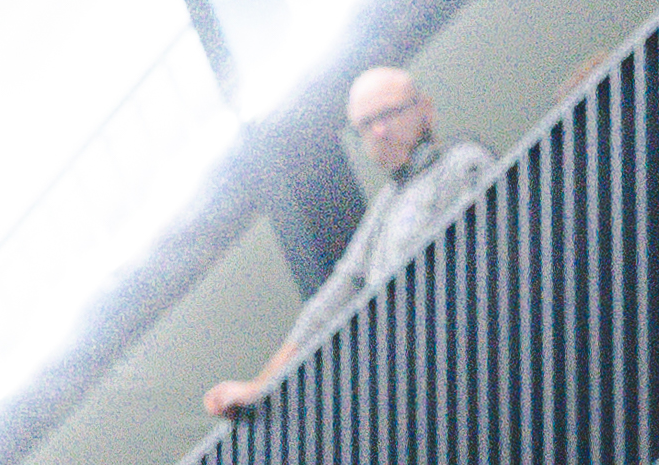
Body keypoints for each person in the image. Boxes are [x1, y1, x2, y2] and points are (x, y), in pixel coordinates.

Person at [200, 67, 494, 419]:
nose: (380, 132)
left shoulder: (462, 165)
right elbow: (334, 298)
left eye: (388, 114)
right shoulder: (384, 209)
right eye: (366, 125)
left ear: (424, 109)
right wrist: (263, 385)